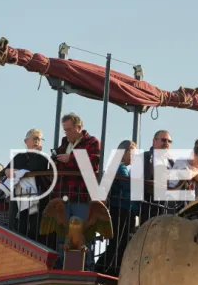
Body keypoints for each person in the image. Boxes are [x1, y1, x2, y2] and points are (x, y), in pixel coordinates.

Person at [5, 128, 53, 240]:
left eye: (40, 139)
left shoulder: (43, 158)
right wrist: (7, 171)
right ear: (26, 141)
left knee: (34, 227)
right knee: (20, 227)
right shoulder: (19, 157)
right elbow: (4, 171)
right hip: (19, 197)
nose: (38, 141)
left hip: (38, 197)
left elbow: (33, 169)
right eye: (35, 138)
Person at [101, 140, 138, 273]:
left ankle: (107, 267)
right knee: (119, 242)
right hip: (121, 210)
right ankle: (106, 269)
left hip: (120, 209)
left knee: (118, 242)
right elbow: (127, 186)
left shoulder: (117, 166)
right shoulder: (119, 167)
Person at [53, 113, 100, 214]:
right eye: (65, 130)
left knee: (80, 227)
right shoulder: (64, 144)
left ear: (78, 127)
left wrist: (70, 159)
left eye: (69, 130)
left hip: (81, 195)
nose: (66, 133)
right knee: (62, 228)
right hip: (62, 194)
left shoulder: (92, 142)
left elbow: (93, 162)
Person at [131, 130, 174, 223]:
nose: (167, 143)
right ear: (154, 141)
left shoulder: (171, 162)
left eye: (169, 141)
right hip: (149, 206)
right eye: (164, 140)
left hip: (169, 208)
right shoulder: (144, 157)